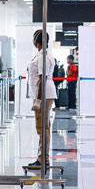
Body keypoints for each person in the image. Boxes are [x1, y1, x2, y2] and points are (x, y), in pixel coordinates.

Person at [27, 30, 57, 169]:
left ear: (36, 41)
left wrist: (38, 100)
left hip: (44, 94)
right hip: (42, 93)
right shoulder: (40, 55)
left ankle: (43, 159)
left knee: (42, 127)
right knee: (43, 126)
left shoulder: (43, 57)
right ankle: (42, 157)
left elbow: (42, 77)